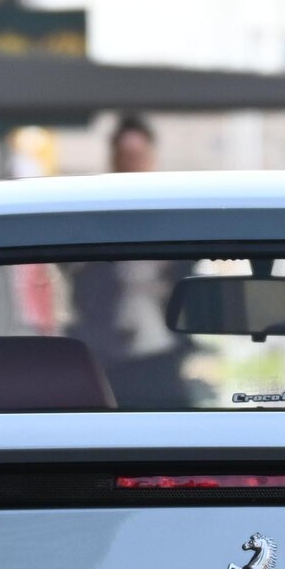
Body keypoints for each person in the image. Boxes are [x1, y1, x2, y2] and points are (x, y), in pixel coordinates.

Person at [69, 115, 192, 406]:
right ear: (114, 159)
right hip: (108, 357)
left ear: (151, 158)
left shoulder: (174, 218)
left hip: (161, 353)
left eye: (138, 155)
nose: (132, 164)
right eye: (125, 156)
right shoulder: (94, 217)